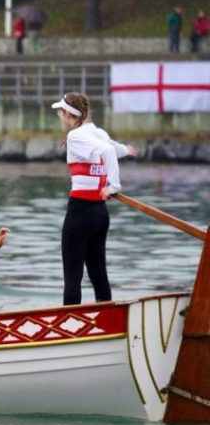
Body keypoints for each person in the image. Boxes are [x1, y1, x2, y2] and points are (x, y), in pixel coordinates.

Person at [53, 92, 137, 305]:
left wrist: (114, 186)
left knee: (73, 277)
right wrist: (125, 150)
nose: (60, 117)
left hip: (80, 212)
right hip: (100, 214)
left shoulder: (76, 136)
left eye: (60, 113)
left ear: (68, 115)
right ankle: (107, 320)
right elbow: (114, 149)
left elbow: (108, 151)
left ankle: (70, 327)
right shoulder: (97, 132)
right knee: (98, 273)